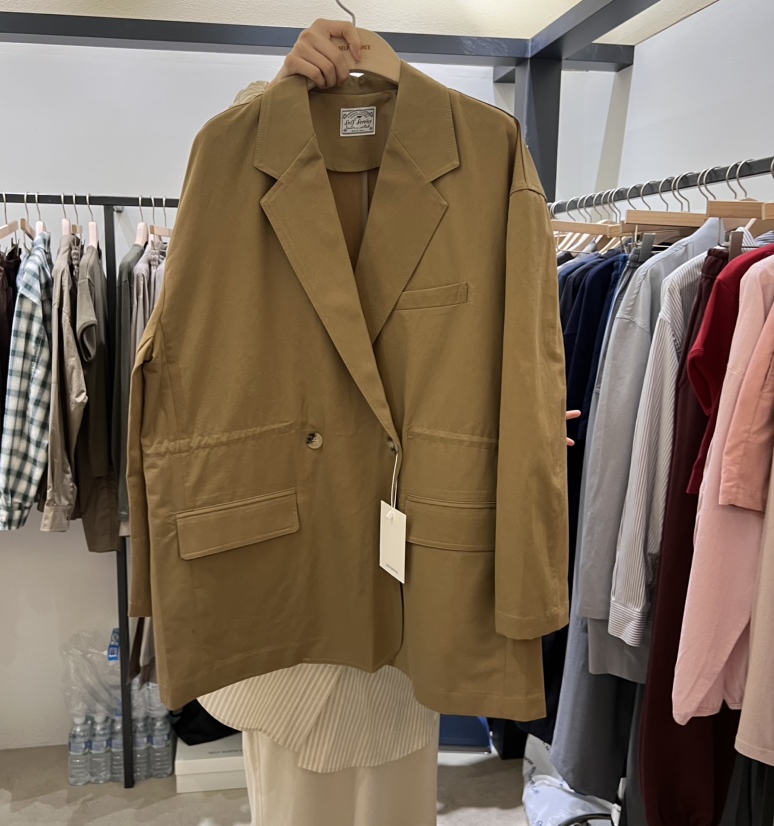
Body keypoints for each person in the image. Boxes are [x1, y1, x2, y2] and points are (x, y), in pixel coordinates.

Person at [198, 20, 576, 825]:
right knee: (296, 795)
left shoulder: (487, 153)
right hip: (287, 559)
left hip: (422, 563)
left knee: (397, 787)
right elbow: (179, 371)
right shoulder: (234, 152)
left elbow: (526, 367)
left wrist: (526, 540)